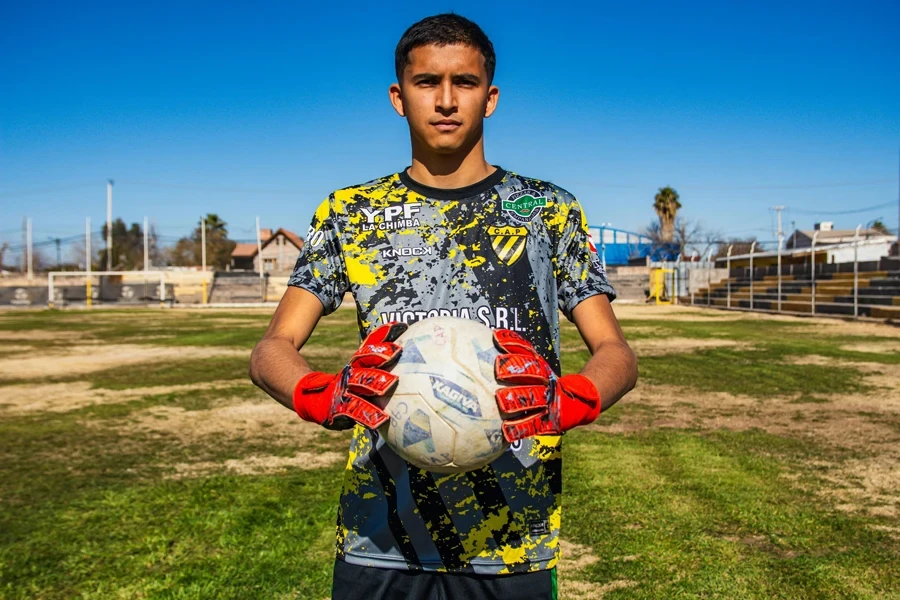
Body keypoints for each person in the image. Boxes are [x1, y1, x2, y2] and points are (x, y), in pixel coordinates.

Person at [250, 13, 638, 599]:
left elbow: (615, 353)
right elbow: (271, 349)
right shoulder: (351, 212)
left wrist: (573, 399)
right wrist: (318, 393)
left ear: (492, 95)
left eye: (466, 82)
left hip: (514, 542)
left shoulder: (548, 210)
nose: (448, 100)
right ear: (398, 97)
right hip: (378, 540)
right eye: (428, 82)